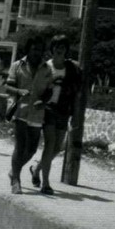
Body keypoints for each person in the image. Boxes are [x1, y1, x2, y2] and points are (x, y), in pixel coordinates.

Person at [30, 35, 82, 195]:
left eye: (63, 47)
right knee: (50, 144)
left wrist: (75, 113)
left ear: (66, 49)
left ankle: (36, 169)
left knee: (57, 148)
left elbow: (76, 91)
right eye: (57, 47)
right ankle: (46, 183)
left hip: (64, 110)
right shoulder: (45, 67)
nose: (60, 50)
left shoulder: (72, 68)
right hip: (48, 109)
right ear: (52, 49)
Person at [4, 37, 52, 194]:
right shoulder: (17, 66)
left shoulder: (46, 68)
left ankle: (13, 170)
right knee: (20, 146)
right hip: (21, 110)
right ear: (28, 50)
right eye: (34, 49)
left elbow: (49, 91)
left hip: (38, 113)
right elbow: (7, 87)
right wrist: (19, 91)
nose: (36, 52)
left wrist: (43, 101)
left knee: (31, 150)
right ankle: (16, 180)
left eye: (39, 49)